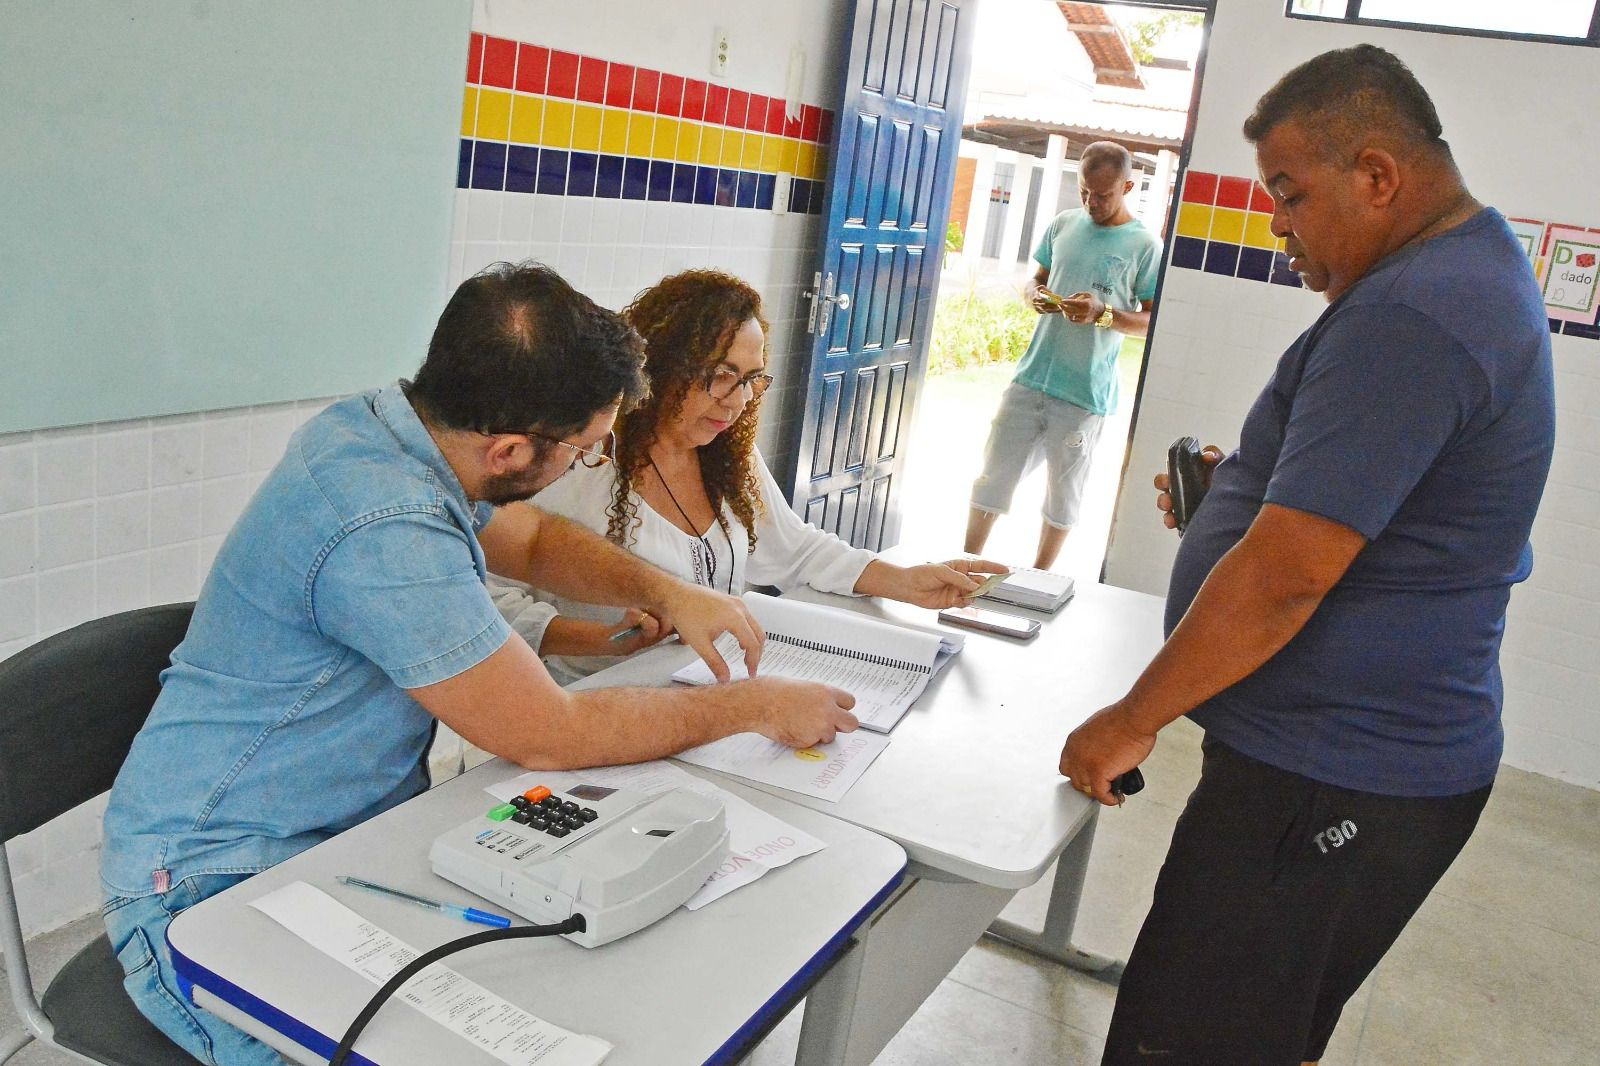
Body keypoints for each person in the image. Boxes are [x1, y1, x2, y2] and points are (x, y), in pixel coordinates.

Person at [99, 262, 860, 1065]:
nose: (586, 465)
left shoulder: (399, 431)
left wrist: (671, 594)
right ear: (507, 449)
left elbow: (528, 540)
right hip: (206, 882)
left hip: (343, 836)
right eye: (585, 452)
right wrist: (754, 704)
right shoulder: (382, 526)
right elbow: (551, 733)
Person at [1058, 46, 1556, 1065]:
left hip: (1334, 781)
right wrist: (1229, 506)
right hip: (1347, 771)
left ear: (1376, 175)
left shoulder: (1412, 313)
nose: (1275, 221)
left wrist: (1129, 717)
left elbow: (1287, 574)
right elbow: (1377, 514)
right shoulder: (1462, 272)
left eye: (1287, 193)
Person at [489, 268, 1006, 683]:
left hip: (698, 689)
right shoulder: (576, 461)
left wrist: (905, 581)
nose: (737, 402)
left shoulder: (723, 455)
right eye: (720, 376)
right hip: (591, 699)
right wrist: (592, 639)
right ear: (660, 367)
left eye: (751, 380)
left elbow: (795, 549)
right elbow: (489, 594)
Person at [964, 140, 1161, 571]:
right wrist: (1034, 294)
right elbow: (1034, 278)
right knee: (993, 475)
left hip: (1083, 394)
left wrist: (1103, 313)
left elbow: (1152, 322)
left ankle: (1039, 576)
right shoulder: (1064, 224)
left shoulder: (1144, 245)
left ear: (1127, 186)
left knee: (1062, 492)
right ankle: (965, 564)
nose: (1092, 202)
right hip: (1031, 378)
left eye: (1104, 195)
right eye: (1085, 192)